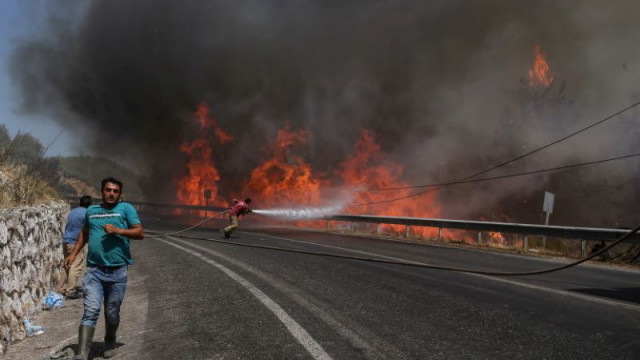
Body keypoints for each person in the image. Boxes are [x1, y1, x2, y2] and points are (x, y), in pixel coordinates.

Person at [64, 177, 144, 360]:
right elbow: (84, 233)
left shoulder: (126, 209)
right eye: (108, 190)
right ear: (101, 191)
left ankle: (110, 341)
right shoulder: (92, 211)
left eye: (115, 191)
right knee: (90, 311)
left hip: (118, 272)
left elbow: (140, 232)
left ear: (120, 194)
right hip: (94, 271)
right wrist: (73, 253)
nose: (111, 193)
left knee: (112, 311)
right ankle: (82, 354)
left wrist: (119, 231)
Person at [59, 195, 92, 299]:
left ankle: (61, 289)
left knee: (67, 265)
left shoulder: (73, 211)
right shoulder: (87, 213)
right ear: (90, 204)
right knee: (76, 266)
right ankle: (70, 291)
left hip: (66, 240)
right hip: (76, 242)